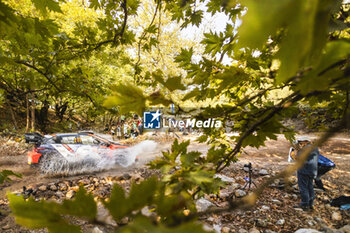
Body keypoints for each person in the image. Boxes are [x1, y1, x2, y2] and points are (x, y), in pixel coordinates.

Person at [295, 136, 319, 211]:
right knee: (310, 186)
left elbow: (298, 158)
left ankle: (305, 204)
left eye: (300, 142)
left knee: (303, 188)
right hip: (312, 171)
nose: (300, 144)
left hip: (304, 171)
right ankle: (311, 203)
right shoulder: (315, 148)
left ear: (305, 142)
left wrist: (296, 151)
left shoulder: (304, 149)